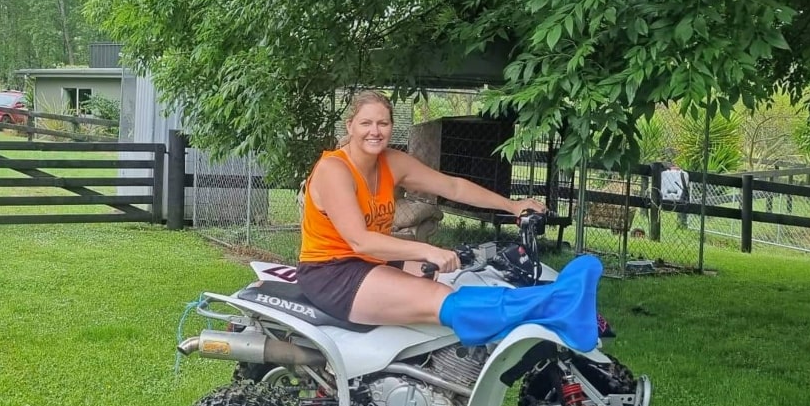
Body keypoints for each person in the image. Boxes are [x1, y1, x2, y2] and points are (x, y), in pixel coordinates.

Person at [296, 90, 603, 349]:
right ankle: (558, 307)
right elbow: (358, 239)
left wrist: (512, 205)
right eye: (366, 123)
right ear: (350, 125)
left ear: (392, 126)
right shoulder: (334, 170)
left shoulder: (391, 162)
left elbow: (452, 186)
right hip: (332, 271)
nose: (374, 131)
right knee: (439, 298)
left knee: (465, 278)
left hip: (369, 261)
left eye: (383, 123)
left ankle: (552, 302)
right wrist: (427, 250)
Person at [660, 162, 691, 228]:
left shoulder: (682, 174)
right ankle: (682, 223)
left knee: (682, 206)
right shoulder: (682, 174)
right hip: (676, 196)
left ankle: (682, 224)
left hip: (678, 196)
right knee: (682, 205)